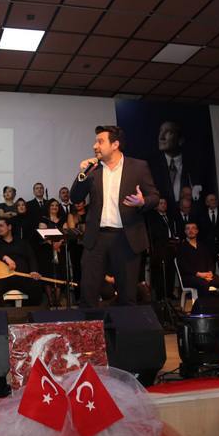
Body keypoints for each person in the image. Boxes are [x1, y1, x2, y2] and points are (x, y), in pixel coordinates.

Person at [70, 125, 159, 306]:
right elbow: (75, 197)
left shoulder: (138, 167)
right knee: (88, 293)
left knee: (127, 295)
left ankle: (125, 325)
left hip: (126, 238)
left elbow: (155, 197)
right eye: (95, 142)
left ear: (115, 145)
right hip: (96, 239)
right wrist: (82, 174)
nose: (95, 146)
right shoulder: (93, 170)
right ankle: (90, 325)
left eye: (100, 141)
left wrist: (142, 202)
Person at [0, 218, 42, 307]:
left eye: (1, 225)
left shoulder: (22, 242)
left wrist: (34, 271)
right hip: (3, 278)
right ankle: (2, 312)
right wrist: (5, 257)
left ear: (9, 227)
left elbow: (31, 257)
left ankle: (27, 311)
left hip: (22, 277)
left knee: (36, 285)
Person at [147, 121, 205, 208]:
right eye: (160, 131)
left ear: (180, 140)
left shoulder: (196, 166)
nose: (161, 137)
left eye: (169, 132)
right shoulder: (150, 167)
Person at [176, 222, 219, 299]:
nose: (190, 230)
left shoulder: (203, 246)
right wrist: (199, 274)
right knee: (203, 284)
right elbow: (183, 266)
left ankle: (218, 302)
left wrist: (210, 272)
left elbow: (210, 261)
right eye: (188, 228)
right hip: (191, 277)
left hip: (206, 276)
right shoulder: (181, 247)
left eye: (193, 228)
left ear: (197, 231)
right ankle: (205, 305)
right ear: (185, 231)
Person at [38, 199, 68, 307]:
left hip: (60, 250)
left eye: (56, 205)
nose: (54, 207)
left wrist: (59, 244)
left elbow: (65, 234)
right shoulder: (43, 219)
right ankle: (50, 300)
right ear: (48, 207)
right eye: (52, 205)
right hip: (47, 251)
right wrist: (52, 244)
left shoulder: (63, 220)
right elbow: (43, 235)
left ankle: (58, 299)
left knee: (60, 273)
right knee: (48, 273)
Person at [146, 198, 177, 301]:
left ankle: (169, 293)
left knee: (170, 271)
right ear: (156, 206)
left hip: (171, 246)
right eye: (161, 203)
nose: (163, 205)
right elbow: (154, 233)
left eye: (165, 203)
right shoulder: (153, 218)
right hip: (159, 248)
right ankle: (161, 295)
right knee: (160, 272)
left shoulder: (169, 217)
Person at [198, 193, 219, 259]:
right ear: (207, 203)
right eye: (211, 200)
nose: (214, 201)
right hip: (208, 248)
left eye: (215, 199)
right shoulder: (201, 214)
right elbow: (201, 231)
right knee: (210, 266)